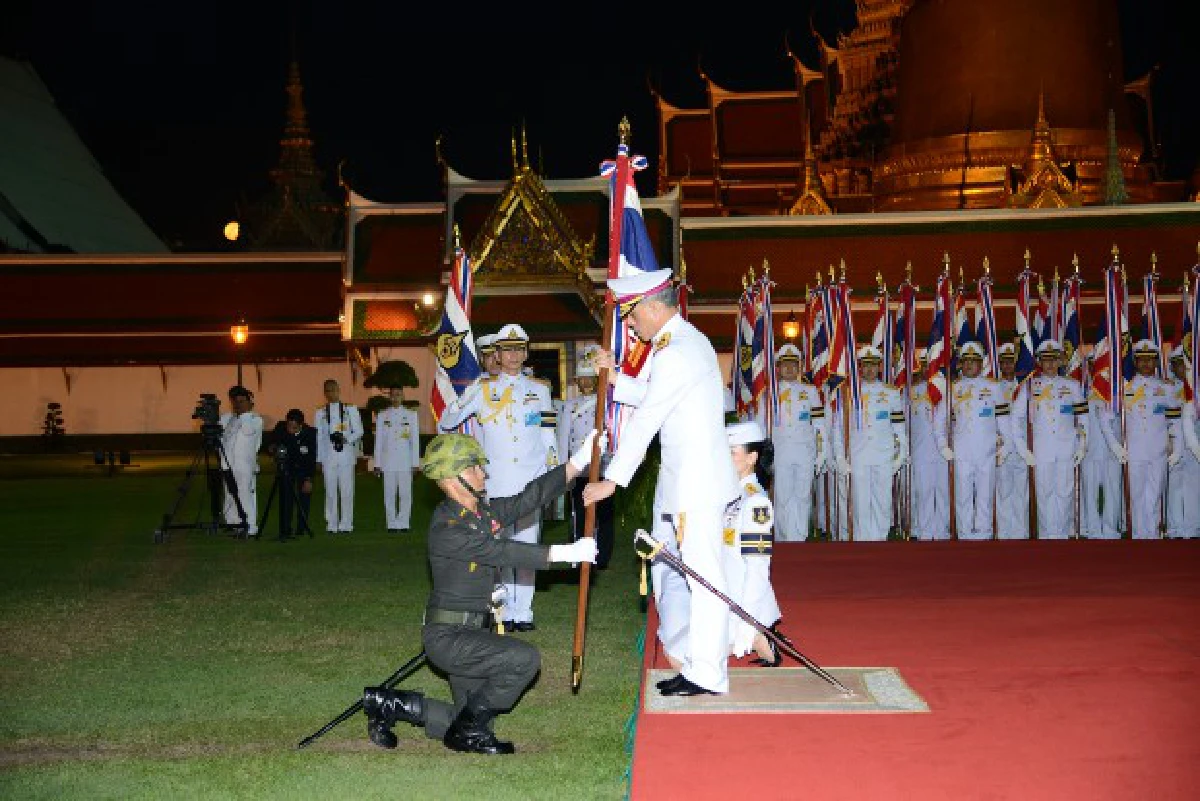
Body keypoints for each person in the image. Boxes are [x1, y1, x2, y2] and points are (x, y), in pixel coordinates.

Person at [360, 431, 600, 755]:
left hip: (471, 632)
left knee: (460, 719)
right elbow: (502, 552)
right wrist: (566, 553)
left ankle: (389, 704)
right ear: (452, 477)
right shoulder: (448, 529)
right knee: (524, 659)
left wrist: (576, 463)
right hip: (449, 638)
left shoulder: (480, 514)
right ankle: (470, 731)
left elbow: (528, 499)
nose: (483, 473)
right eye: (475, 468)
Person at [583, 268, 739, 697]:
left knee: (704, 579)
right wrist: (615, 379)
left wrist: (612, 481)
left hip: (695, 485)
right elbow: (656, 396)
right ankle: (698, 662)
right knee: (688, 574)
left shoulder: (678, 350)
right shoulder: (682, 343)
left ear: (653, 307)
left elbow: (649, 418)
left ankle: (707, 672)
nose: (630, 325)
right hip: (687, 481)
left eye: (631, 316)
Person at [438, 323, 557, 632]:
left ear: (526, 353)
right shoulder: (483, 390)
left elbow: (548, 437)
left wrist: (551, 476)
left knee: (528, 546)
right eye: (507, 350)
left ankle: (524, 611)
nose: (514, 355)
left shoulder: (541, 390)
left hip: (531, 478)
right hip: (496, 482)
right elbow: (449, 418)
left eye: (519, 349)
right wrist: (461, 395)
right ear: (497, 355)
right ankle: (503, 608)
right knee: (499, 548)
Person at [723, 420, 786, 666]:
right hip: (722, 595)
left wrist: (747, 622)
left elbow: (758, 568)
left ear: (751, 458)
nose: (723, 458)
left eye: (731, 453)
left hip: (742, 602)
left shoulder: (755, 502)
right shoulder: (726, 492)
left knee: (688, 660)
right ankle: (762, 636)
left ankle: (760, 633)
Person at [1009, 341, 1087, 539]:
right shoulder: (1029, 385)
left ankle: (1061, 534)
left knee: (1065, 492)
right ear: (1039, 362)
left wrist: (1083, 444)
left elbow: (1083, 418)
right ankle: (1046, 536)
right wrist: (1022, 449)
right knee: (1044, 493)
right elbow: (1016, 418)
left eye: (1054, 359)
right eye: (1046, 360)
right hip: (1041, 449)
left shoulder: (1073, 385)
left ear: (1061, 360)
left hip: (1066, 446)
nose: (1050, 364)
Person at [831, 346, 908, 542]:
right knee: (860, 502)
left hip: (883, 454)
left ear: (880, 367)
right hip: (858, 455)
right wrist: (840, 457)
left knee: (882, 501)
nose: (870, 370)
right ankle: (862, 540)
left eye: (874, 365)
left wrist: (901, 454)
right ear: (859, 368)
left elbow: (899, 427)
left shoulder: (891, 393)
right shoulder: (848, 393)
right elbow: (838, 429)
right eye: (866, 366)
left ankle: (880, 540)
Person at [935, 342, 1011, 539]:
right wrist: (942, 445)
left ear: (981, 364)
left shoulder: (993, 387)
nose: (969, 365)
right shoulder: (953, 388)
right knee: (963, 496)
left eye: (973, 362)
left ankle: (984, 534)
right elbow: (938, 419)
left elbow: (1004, 421)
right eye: (965, 362)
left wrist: (1006, 447)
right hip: (961, 451)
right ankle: (965, 534)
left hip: (987, 450)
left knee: (985, 495)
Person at [1106, 340, 1181, 539]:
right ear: (1135, 362)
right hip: (1134, 450)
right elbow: (1106, 419)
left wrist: (1178, 448)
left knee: (1155, 494)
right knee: (1136, 496)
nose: (1146, 364)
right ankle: (1139, 537)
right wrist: (1115, 446)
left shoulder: (1166, 389)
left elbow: (1175, 421)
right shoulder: (1124, 388)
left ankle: (1153, 535)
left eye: (1150, 360)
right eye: (1142, 360)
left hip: (1158, 450)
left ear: (1156, 361)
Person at [557, 344, 615, 567]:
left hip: (603, 466)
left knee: (605, 514)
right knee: (580, 513)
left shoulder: (608, 404)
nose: (586, 383)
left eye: (589, 378)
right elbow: (563, 438)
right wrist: (564, 470)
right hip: (580, 468)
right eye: (582, 379)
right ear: (577, 382)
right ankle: (580, 554)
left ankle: (603, 557)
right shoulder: (569, 406)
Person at [766, 343, 828, 541]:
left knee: (802, 496)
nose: (789, 369)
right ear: (778, 367)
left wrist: (822, 451)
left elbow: (820, 424)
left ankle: (799, 539)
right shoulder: (770, 393)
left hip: (805, 451)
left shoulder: (810, 391)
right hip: (780, 451)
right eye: (785, 365)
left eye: (794, 364)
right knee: (783, 497)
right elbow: (761, 425)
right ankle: (784, 540)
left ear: (800, 367)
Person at [1081, 355, 1125, 539]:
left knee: (1113, 491)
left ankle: (1110, 530)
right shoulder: (1081, 388)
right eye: (1092, 364)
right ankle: (1092, 529)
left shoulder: (1119, 387)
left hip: (1113, 451)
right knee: (1089, 493)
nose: (1096, 367)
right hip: (1090, 449)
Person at [315, 379, 363, 534]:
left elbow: (359, 431)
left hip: (346, 456)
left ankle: (347, 524)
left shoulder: (350, 410)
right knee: (330, 491)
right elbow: (319, 438)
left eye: (333, 389)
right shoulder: (320, 412)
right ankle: (332, 524)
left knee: (347, 491)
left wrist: (346, 439)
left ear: (338, 389)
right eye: (327, 391)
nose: (331, 393)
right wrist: (319, 459)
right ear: (324, 393)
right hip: (328, 457)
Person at [994, 344, 1031, 539]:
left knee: (1021, 491)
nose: (1007, 365)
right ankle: (1004, 532)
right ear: (999, 364)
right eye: (1004, 362)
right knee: (1003, 490)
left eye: (1011, 361)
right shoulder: (994, 387)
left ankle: (1021, 532)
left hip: (1023, 445)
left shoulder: (1025, 385)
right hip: (1002, 446)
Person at [374, 387, 421, 533]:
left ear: (403, 396)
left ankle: (404, 522)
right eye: (393, 395)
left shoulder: (411, 415)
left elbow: (415, 441)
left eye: (398, 395)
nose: (395, 398)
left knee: (405, 494)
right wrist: (377, 463)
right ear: (390, 397)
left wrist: (415, 463)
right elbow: (379, 441)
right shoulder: (382, 415)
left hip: (405, 461)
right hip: (388, 462)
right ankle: (392, 523)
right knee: (389, 493)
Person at [219, 385, 263, 536]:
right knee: (230, 494)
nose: (238, 405)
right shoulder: (228, 419)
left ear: (250, 402)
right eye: (235, 402)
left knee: (245, 494)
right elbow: (221, 438)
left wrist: (244, 413)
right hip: (228, 463)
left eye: (242, 401)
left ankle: (250, 526)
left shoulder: (255, 419)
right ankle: (233, 523)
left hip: (245, 464)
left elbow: (247, 430)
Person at [267, 409, 317, 541]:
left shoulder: (310, 433)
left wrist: (309, 479)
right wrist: (272, 447)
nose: (290, 429)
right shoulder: (280, 427)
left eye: (293, 427)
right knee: (286, 499)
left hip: (303, 468)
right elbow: (271, 442)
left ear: (301, 425)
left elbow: (312, 458)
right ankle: (285, 528)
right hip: (286, 468)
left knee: (304, 498)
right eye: (288, 426)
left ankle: (301, 528)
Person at [1165, 347, 1198, 538]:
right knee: (1174, 485)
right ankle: (1175, 528)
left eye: (1186, 364)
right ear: (1173, 366)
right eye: (1179, 364)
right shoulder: (1168, 388)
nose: (1183, 368)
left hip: (1193, 444)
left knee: (1194, 485)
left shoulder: (1196, 388)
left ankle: (1193, 528)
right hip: (1173, 442)